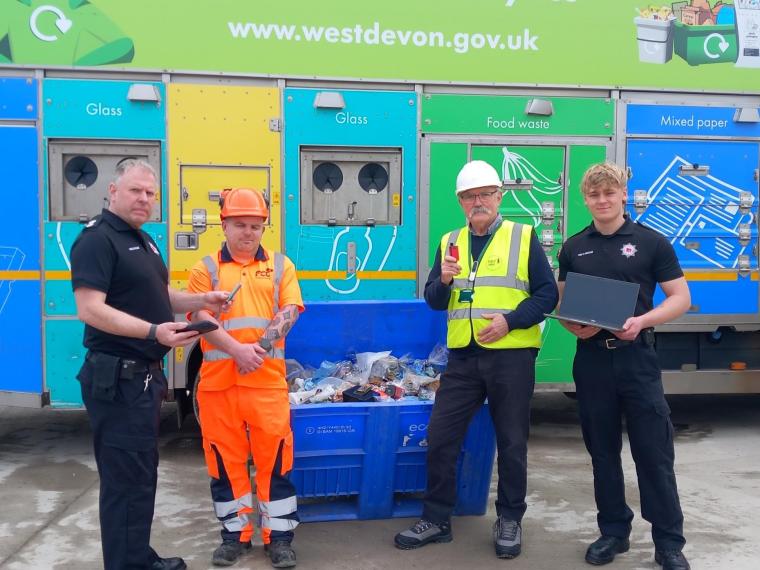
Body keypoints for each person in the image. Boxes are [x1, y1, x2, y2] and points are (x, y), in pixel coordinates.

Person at [71, 159, 231, 570]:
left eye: (150, 193)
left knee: (140, 477)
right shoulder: (97, 240)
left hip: (141, 380)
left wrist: (202, 300)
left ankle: (136, 557)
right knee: (125, 481)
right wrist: (152, 332)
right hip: (118, 378)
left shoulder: (144, 240)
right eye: (135, 190)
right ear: (113, 191)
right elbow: (90, 309)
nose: (144, 199)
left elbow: (161, 294)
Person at [394, 160, 558, 559]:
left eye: (485, 194)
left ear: (499, 197)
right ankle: (436, 518)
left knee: (512, 442)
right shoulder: (449, 241)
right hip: (464, 359)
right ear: (460, 202)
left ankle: (509, 519)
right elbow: (434, 301)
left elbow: (547, 295)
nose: (477, 201)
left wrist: (509, 321)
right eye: (469, 196)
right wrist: (444, 279)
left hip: (511, 356)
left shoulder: (522, 236)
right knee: (441, 436)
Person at [557, 162, 691, 570]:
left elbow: (680, 298)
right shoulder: (573, 247)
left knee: (653, 453)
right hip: (592, 361)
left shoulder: (652, 243)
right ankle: (614, 532)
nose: (602, 200)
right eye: (594, 195)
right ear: (585, 199)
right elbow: (563, 303)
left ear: (622, 195)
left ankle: (668, 542)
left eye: (609, 193)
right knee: (602, 453)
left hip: (637, 360)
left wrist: (642, 321)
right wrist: (572, 326)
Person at [187, 188, 303, 568]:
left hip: (266, 383)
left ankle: (279, 539)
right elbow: (199, 318)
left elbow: (290, 309)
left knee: (276, 463)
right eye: (240, 224)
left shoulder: (281, 266)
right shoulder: (205, 270)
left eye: (255, 225)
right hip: (218, 387)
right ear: (224, 225)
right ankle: (234, 538)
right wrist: (238, 351)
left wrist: (259, 349)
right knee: (224, 465)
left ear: (263, 227)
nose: (248, 232)